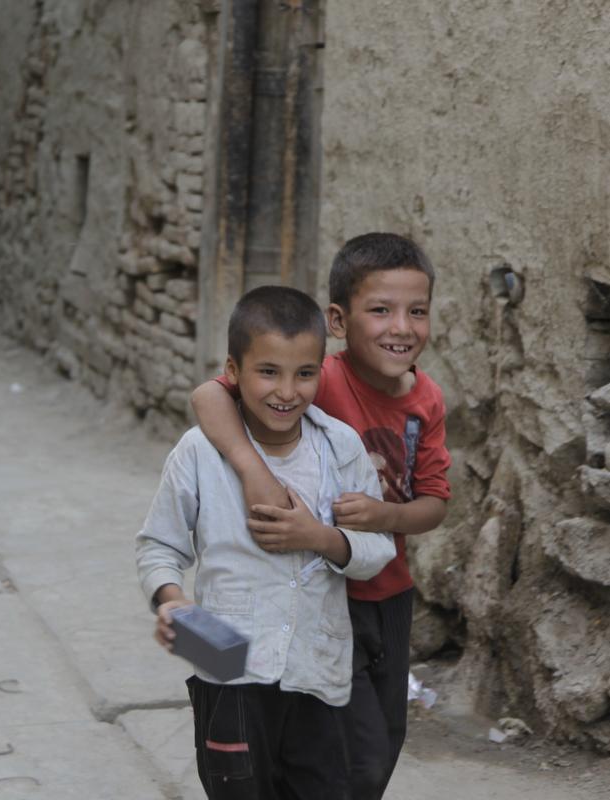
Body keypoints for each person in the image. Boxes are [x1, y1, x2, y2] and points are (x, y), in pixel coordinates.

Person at [190, 233, 452, 800]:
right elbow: (209, 395)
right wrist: (251, 470)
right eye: (380, 310)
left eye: (417, 311)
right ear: (338, 320)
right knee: (347, 754)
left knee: (384, 742)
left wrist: (385, 514)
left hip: (389, 591)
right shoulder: (314, 378)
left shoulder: (426, 399)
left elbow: (434, 503)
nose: (401, 327)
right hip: (324, 595)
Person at [137, 285, 399, 800]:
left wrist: (321, 537)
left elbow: (377, 551)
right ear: (233, 372)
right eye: (268, 372)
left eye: (304, 373)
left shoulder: (340, 448)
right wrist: (171, 600)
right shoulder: (199, 452)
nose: (287, 391)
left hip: (318, 672)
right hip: (228, 668)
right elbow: (158, 546)